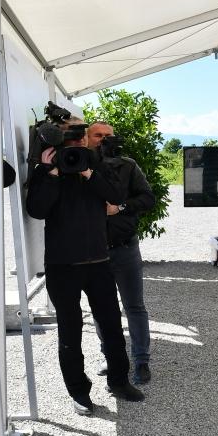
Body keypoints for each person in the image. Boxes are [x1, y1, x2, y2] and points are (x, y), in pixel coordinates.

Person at [25, 118, 145, 414]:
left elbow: (116, 197)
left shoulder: (97, 165)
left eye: (82, 135)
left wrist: (89, 172)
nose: (78, 140)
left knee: (112, 325)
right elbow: (37, 209)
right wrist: (53, 172)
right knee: (70, 331)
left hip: (99, 262)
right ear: (60, 139)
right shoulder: (46, 171)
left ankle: (119, 381)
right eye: (72, 135)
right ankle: (79, 392)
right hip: (62, 265)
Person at [86, 121, 156, 385]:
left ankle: (141, 361)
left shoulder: (128, 166)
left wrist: (120, 207)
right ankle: (110, 357)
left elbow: (147, 198)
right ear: (86, 138)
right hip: (94, 252)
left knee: (134, 306)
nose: (103, 140)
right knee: (101, 309)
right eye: (98, 135)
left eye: (108, 135)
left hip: (125, 248)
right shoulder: (80, 166)